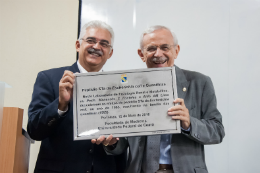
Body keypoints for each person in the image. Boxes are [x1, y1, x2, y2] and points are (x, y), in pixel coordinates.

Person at [96, 25, 225, 173]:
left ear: (176, 51)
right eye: (151, 49)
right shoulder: (128, 87)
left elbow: (217, 132)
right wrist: (112, 142)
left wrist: (189, 123)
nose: (158, 54)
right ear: (141, 54)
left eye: (165, 47)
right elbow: (122, 143)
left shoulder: (200, 82)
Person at [27, 20, 126, 173]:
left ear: (110, 53)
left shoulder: (119, 87)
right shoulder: (49, 78)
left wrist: (112, 143)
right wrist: (60, 105)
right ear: (78, 45)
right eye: (91, 40)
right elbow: (34, 131)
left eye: (104, 44)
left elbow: (124, 143)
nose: (96, 47)